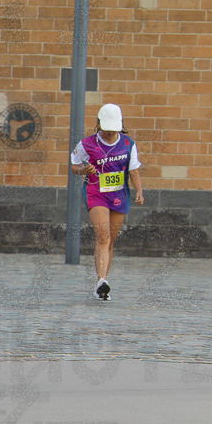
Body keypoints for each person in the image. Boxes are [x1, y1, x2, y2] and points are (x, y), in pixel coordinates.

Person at [70, 103, 143, 301]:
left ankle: (102, 283)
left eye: (114, 130)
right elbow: (75, 166)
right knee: (103, 237)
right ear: (99, 124)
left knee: (111, 239)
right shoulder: (87, 144)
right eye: (107, 129)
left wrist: (139, 191)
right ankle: (102, 280)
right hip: (96, 193)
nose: (110, 133)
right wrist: (84, 170)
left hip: (119, 194)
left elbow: (133, 170)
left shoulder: (128, 144)